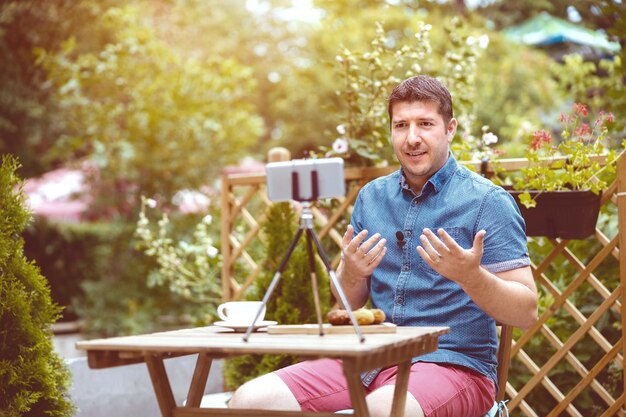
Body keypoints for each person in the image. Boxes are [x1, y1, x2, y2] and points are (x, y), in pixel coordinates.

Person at [228, 75, 538, 417]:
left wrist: (471, 276)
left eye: (425, 124)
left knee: (382, 411)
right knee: (250, 400)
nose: (412, 138)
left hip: (453, 365)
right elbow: (348, 301)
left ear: (450, 129)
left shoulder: (487, 201)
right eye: (401, 125)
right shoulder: (371, 198)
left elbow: (525, 311)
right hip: (368, 360)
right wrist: (353, 273)